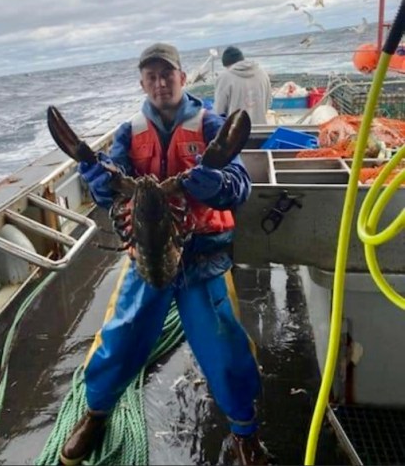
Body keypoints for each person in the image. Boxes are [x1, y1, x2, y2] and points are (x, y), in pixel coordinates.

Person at [60, 43, 274, 466]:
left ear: (182, 77)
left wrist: (216, 183)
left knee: (224, 347)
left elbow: (240, 184)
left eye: (167, 74)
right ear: (143, 84)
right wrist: (98, 180)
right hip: (147, 257)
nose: (160, 83)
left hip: (202, 259)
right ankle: (96, 413)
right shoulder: (128, 133)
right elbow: (110, 192)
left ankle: (244, 430)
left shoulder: (211, 125)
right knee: (119, 339)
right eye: (152, 77)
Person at [214, 46, 272, 124]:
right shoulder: (263, 73)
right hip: (260, 126)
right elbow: (269, 102)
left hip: (236, 129)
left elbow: (219, 110)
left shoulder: (224, 77)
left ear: (227, 65)